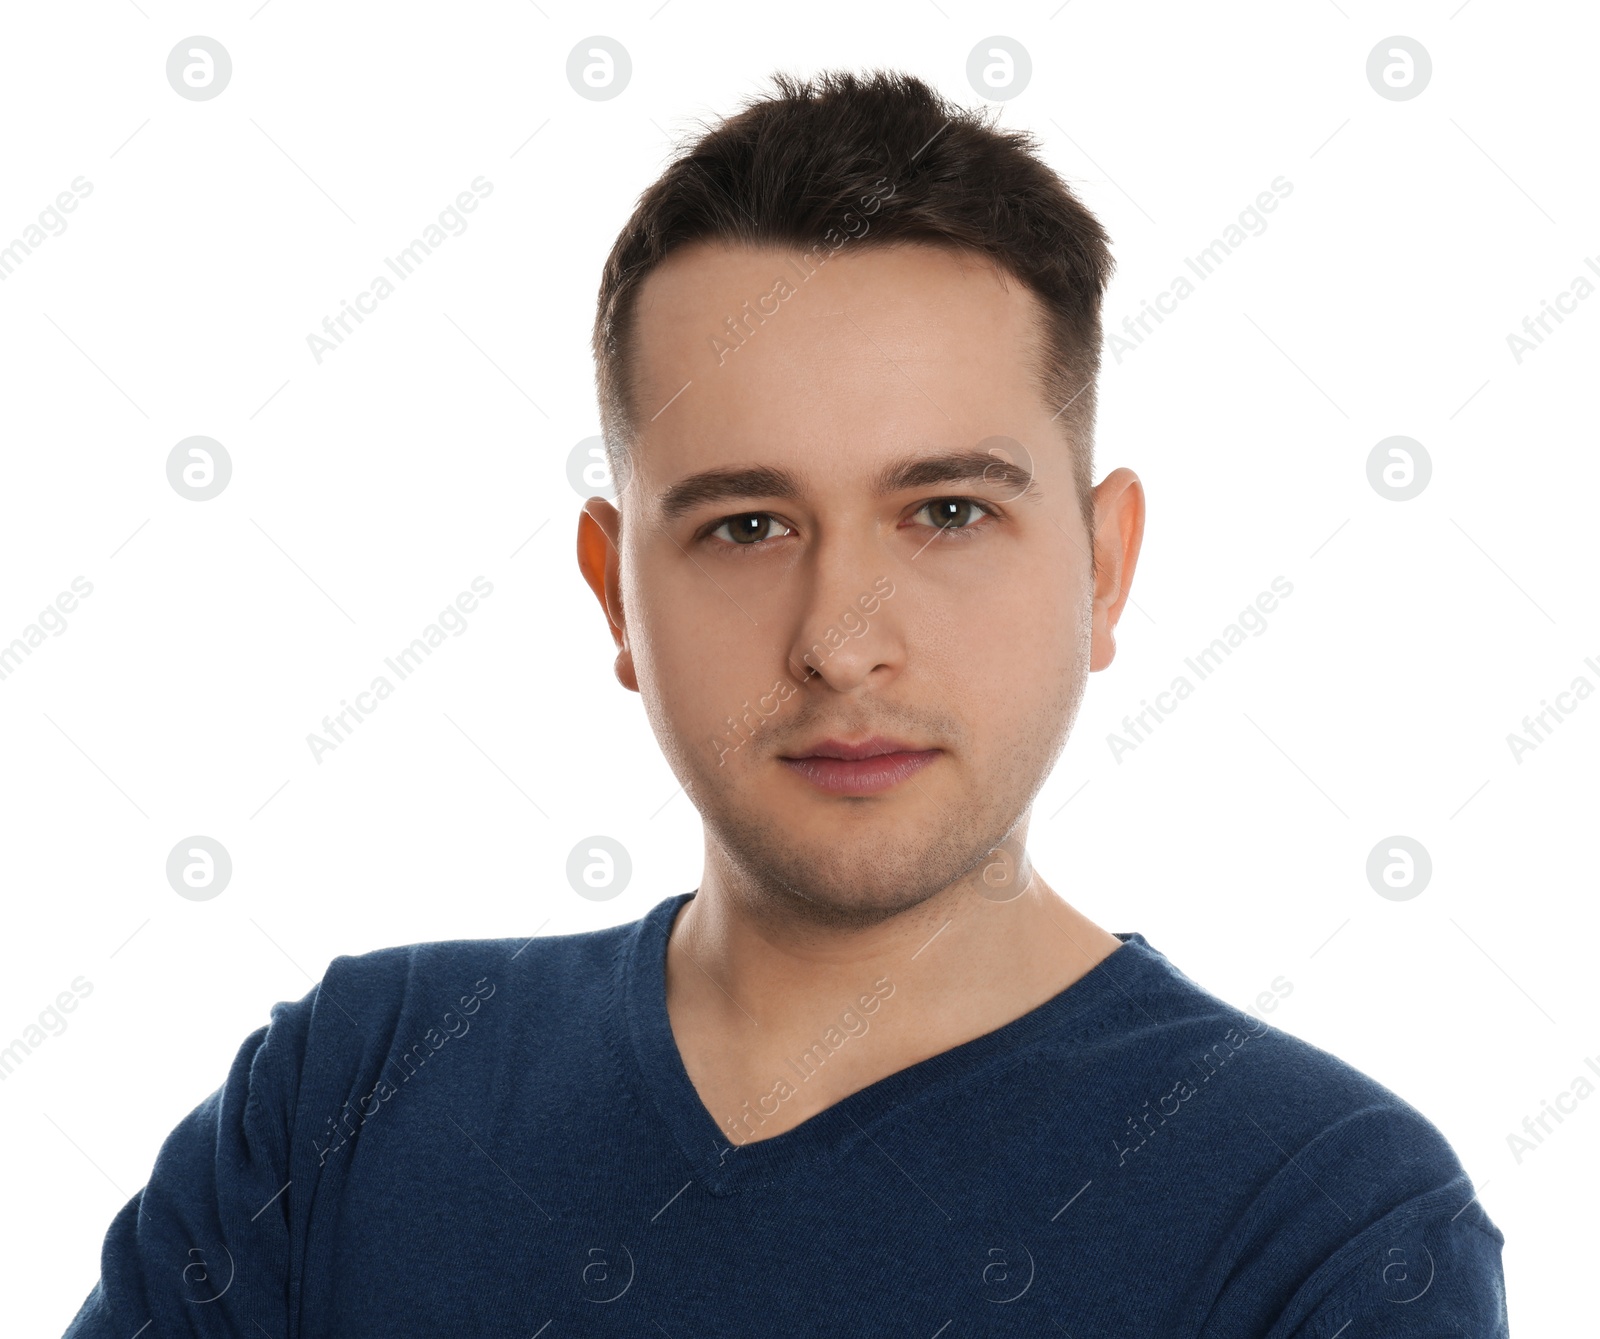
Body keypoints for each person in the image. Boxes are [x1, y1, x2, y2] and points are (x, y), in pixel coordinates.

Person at [64, 68, 1509, 1337]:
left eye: (944, 511)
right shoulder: (347, 1100)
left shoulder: (1327, 1224)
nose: (841, 643)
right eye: (747, 526)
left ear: (1105, 568)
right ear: (615, 593)